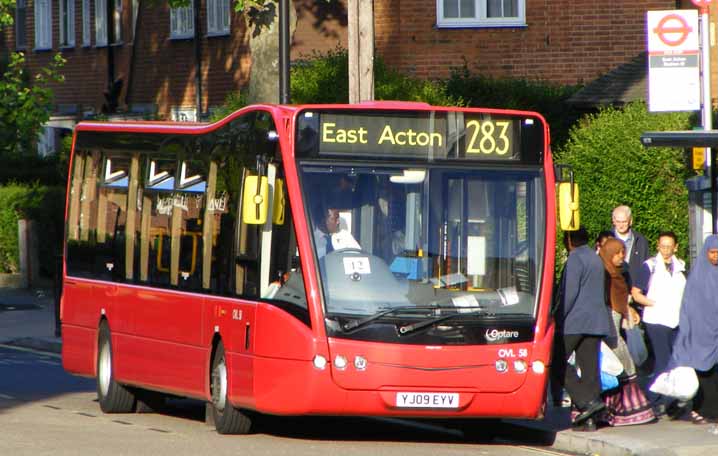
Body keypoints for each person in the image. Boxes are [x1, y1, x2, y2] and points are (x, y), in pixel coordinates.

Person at [553, 227, 613, 430]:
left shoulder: (575, 259)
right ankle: (590, 419)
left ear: (569, 240)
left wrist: (557, 316)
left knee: (555, 361)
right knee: (590, 370)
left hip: (575, 321)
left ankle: (587, 402)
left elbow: (569, 293)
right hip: (595, 322)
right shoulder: (595, 257)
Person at [598, 238, 655, 426]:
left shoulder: (617, 273)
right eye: (618, 253)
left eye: (622, 252)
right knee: (623, 366)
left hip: (615, 327)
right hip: (610, 333)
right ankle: (624, 412)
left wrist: (627, 310)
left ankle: (618, 412)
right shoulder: (603, 274)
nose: (622, 256)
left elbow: (620, 299)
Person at [630, 231, 686, 414]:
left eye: (669, 246)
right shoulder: (650, 266)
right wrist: (653, 303)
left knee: (675, 360)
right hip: (656, 319)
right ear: (657, 246)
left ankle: (667, 398)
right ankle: (652, 397)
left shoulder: (681, 267)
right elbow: (636, 292)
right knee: (664, 359)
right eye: (662, 246)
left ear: (675, 247)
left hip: (676, 320)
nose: (666, 250)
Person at [668, 235, 718, 424]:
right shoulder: (697, 276)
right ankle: (702, 409)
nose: (715, 257)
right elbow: (688, 304)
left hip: (715, 332)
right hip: (699, 332)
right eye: (712, 253)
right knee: (701, 371)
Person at [611, 205, 650, 286]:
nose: (621, 225)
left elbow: (646, 266)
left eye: (624, 221)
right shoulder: (607, 239)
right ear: (613, 221)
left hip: (634, 289)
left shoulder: (641, 241)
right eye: (618, 221)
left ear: (630, 221)